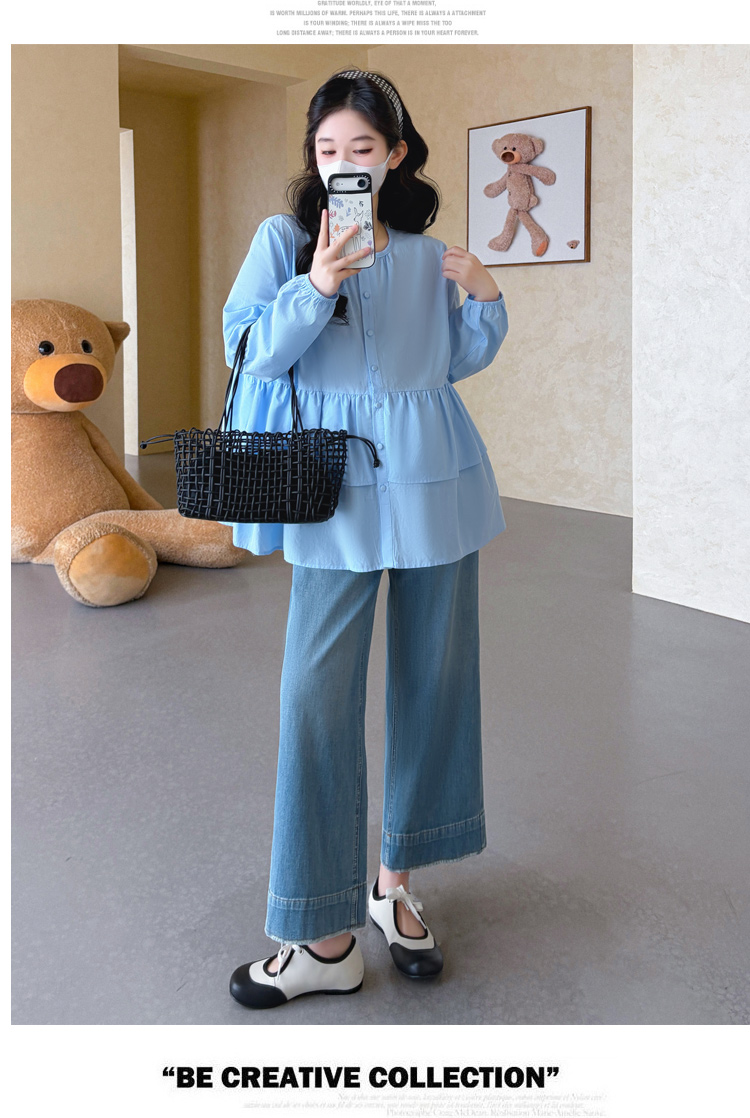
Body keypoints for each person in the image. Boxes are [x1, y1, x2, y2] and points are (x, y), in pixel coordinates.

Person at [223, 69, 509, 1010]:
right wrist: (317, 285)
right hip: (332, 492)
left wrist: (485, 298)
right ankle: (323, 933)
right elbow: (249, 352)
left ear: (396, 155)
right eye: (327, 149)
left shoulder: (426, 255)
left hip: (437, 487)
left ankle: (396, 888)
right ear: (314, 160)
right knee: (315, 699)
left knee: (435, 687)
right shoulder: (285, 242)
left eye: (362, 148)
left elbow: (450, 363)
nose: (343, 162)